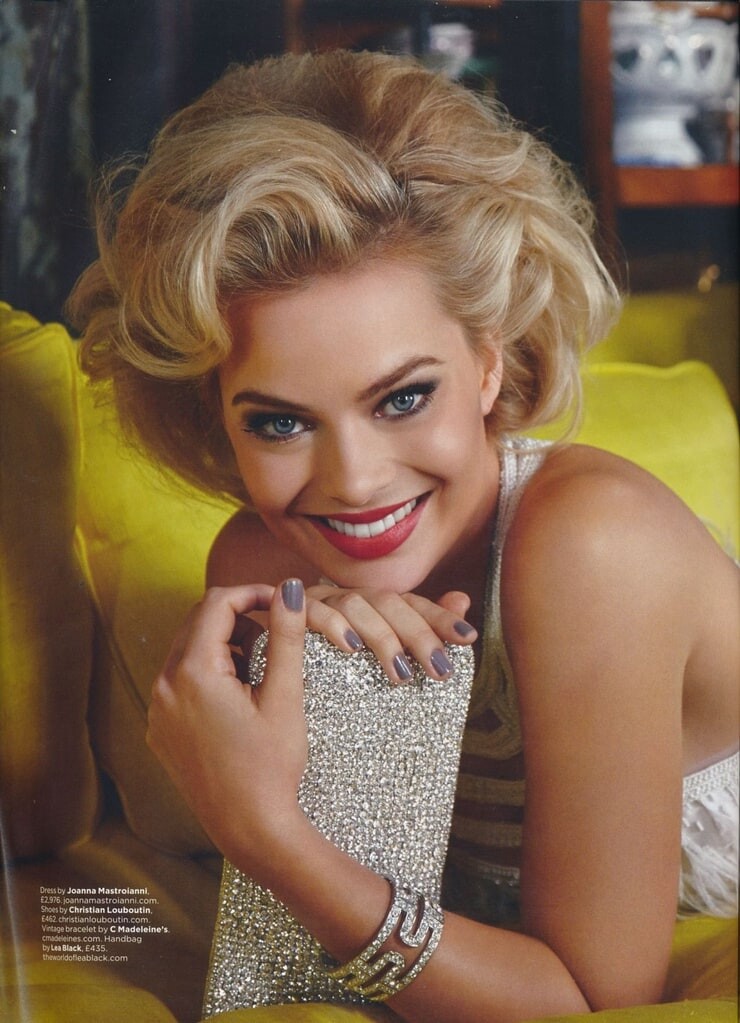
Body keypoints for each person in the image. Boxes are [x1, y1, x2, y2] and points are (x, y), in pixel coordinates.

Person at [67, 49, 738, 1021]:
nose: (352, 482)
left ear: (489, 364)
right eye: (279, 422)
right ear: (215, 416)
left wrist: (265, 833)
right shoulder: (263, 564)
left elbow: (591, 998)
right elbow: (292, 960)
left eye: (402, 397)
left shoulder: (593, 548)